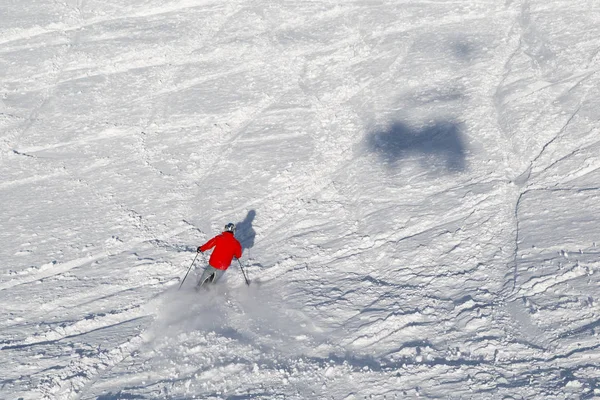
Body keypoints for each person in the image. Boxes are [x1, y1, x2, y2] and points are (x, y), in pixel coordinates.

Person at [196, 223, 242, 288]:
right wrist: (236, 255)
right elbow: (238, 255)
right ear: (233, 231)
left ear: (225, 229)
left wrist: (201, 248)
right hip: (223, 265)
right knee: (214, 280)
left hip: (214, 262)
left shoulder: (219, 238)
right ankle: (207, 292)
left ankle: (197, 289)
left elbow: (209, 244)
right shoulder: (236, 243)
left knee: (204, 277)